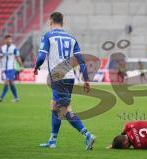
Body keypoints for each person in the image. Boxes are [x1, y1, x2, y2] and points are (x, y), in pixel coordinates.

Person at [34, 12, 95, 150]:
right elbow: (82, 62)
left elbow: (41, 56)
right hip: (69, 78)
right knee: (56, 107)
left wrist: (36, 66)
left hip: (57, 77)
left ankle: (87, 135)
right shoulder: (71, 38)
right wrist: (86, 80)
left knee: (64, 110)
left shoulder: (48, 36)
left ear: (50, 21)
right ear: (63, 21)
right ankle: (52, 140)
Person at [0, 35, 23, 102]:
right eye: (7, 39)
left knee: (7, 81)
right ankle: (16, 98)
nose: (9, 41)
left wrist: (21, 66)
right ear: (5, 40)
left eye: (10, 39)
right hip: (4, 68)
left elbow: (18, 57)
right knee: (11, 83)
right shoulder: (2, 48)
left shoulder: (14, 48)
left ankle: (1, 97)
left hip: (11, 68)